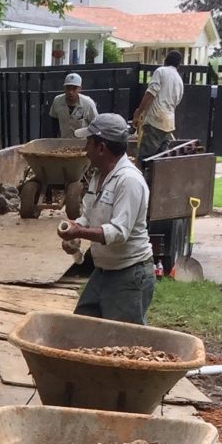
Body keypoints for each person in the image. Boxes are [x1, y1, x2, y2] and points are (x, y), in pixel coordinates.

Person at [57, 112, 154, 324]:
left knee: (124, 345)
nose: (85, 149)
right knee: (83, 329)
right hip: (104, 272)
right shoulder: (98, 175)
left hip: (130, 274)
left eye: (89, 143)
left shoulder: (129, 181)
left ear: (101, 148)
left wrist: (80, 232)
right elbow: (89, 216)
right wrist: (75, 229)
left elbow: (119, 233)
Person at [133, 49, 185, 159]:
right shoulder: (179, 80)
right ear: (178, 65)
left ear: (165, 60)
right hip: (169, 123)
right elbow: (177, 102)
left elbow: (150, 93)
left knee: (144, 159)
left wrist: (138, 113)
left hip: (155, 121)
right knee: (159, 161)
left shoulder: (160, 71)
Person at [49, 72, 97, 141]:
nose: (71, 92)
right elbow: (54, 121)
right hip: (63, 143)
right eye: (68, 88)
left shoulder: (88, 103)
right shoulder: (57, 101)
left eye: (74, 88)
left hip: (82, 143)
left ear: (80, 89)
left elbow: (95, 125)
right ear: (64, 88)